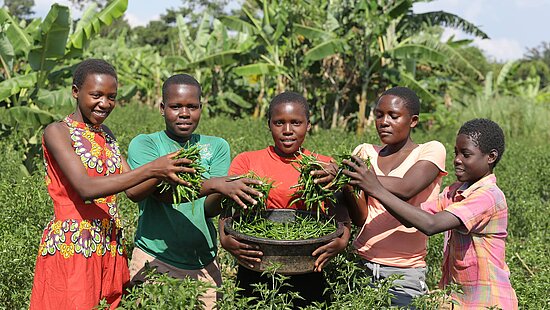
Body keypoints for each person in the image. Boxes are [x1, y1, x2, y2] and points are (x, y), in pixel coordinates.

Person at [30, 59, 192, 310]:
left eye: (111, 97)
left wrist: (167, 173)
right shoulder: (57, 132)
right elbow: (85, 188)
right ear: (75, 92)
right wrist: (153, 168)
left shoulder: (106, 134)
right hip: (74, 245)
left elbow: (133, 191)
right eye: (96, 95)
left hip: (109, 242)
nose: (104, 103)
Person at [344, 118, 518, 309]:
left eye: (466, 154)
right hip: (458, 300)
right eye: (456, 153)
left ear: (491, 157)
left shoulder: (489, 196)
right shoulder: (456, 191)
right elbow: (414, 219)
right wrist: (364, 188)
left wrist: (376, 188)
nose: (457, 160)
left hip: (488, 301)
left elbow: (430, 225)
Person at [125, 74, 260, 310]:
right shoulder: (146, 144)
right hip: (153, 259)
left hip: (203, 263)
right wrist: (217, 184)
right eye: (176, 106)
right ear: (162, 107)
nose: (184, 113)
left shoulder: (217, 146)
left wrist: (232, 193)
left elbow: (208, 208)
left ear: (201, 108)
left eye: (192, 107)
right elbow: (155, 194)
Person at [218, 91, 351, 308]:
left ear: (308, 125)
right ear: (269, 124)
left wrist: (343, 239)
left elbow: (341, 209)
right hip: (257, 262)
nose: (287, 130)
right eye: (279, 122)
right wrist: (224, 237)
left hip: (309, 264)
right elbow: (228, 203)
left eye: (296, 122)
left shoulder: (323, 166)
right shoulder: (248, 161)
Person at [341, 86, 447, 306]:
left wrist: (366, 181)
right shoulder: (364, 151)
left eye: (393, 116)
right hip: (360, 265)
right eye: (379, 115)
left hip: (404, 273)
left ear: (413, 120)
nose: (384, 121)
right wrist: (345, 184)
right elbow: (362, 218)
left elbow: (407, 187)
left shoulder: (430, 150)